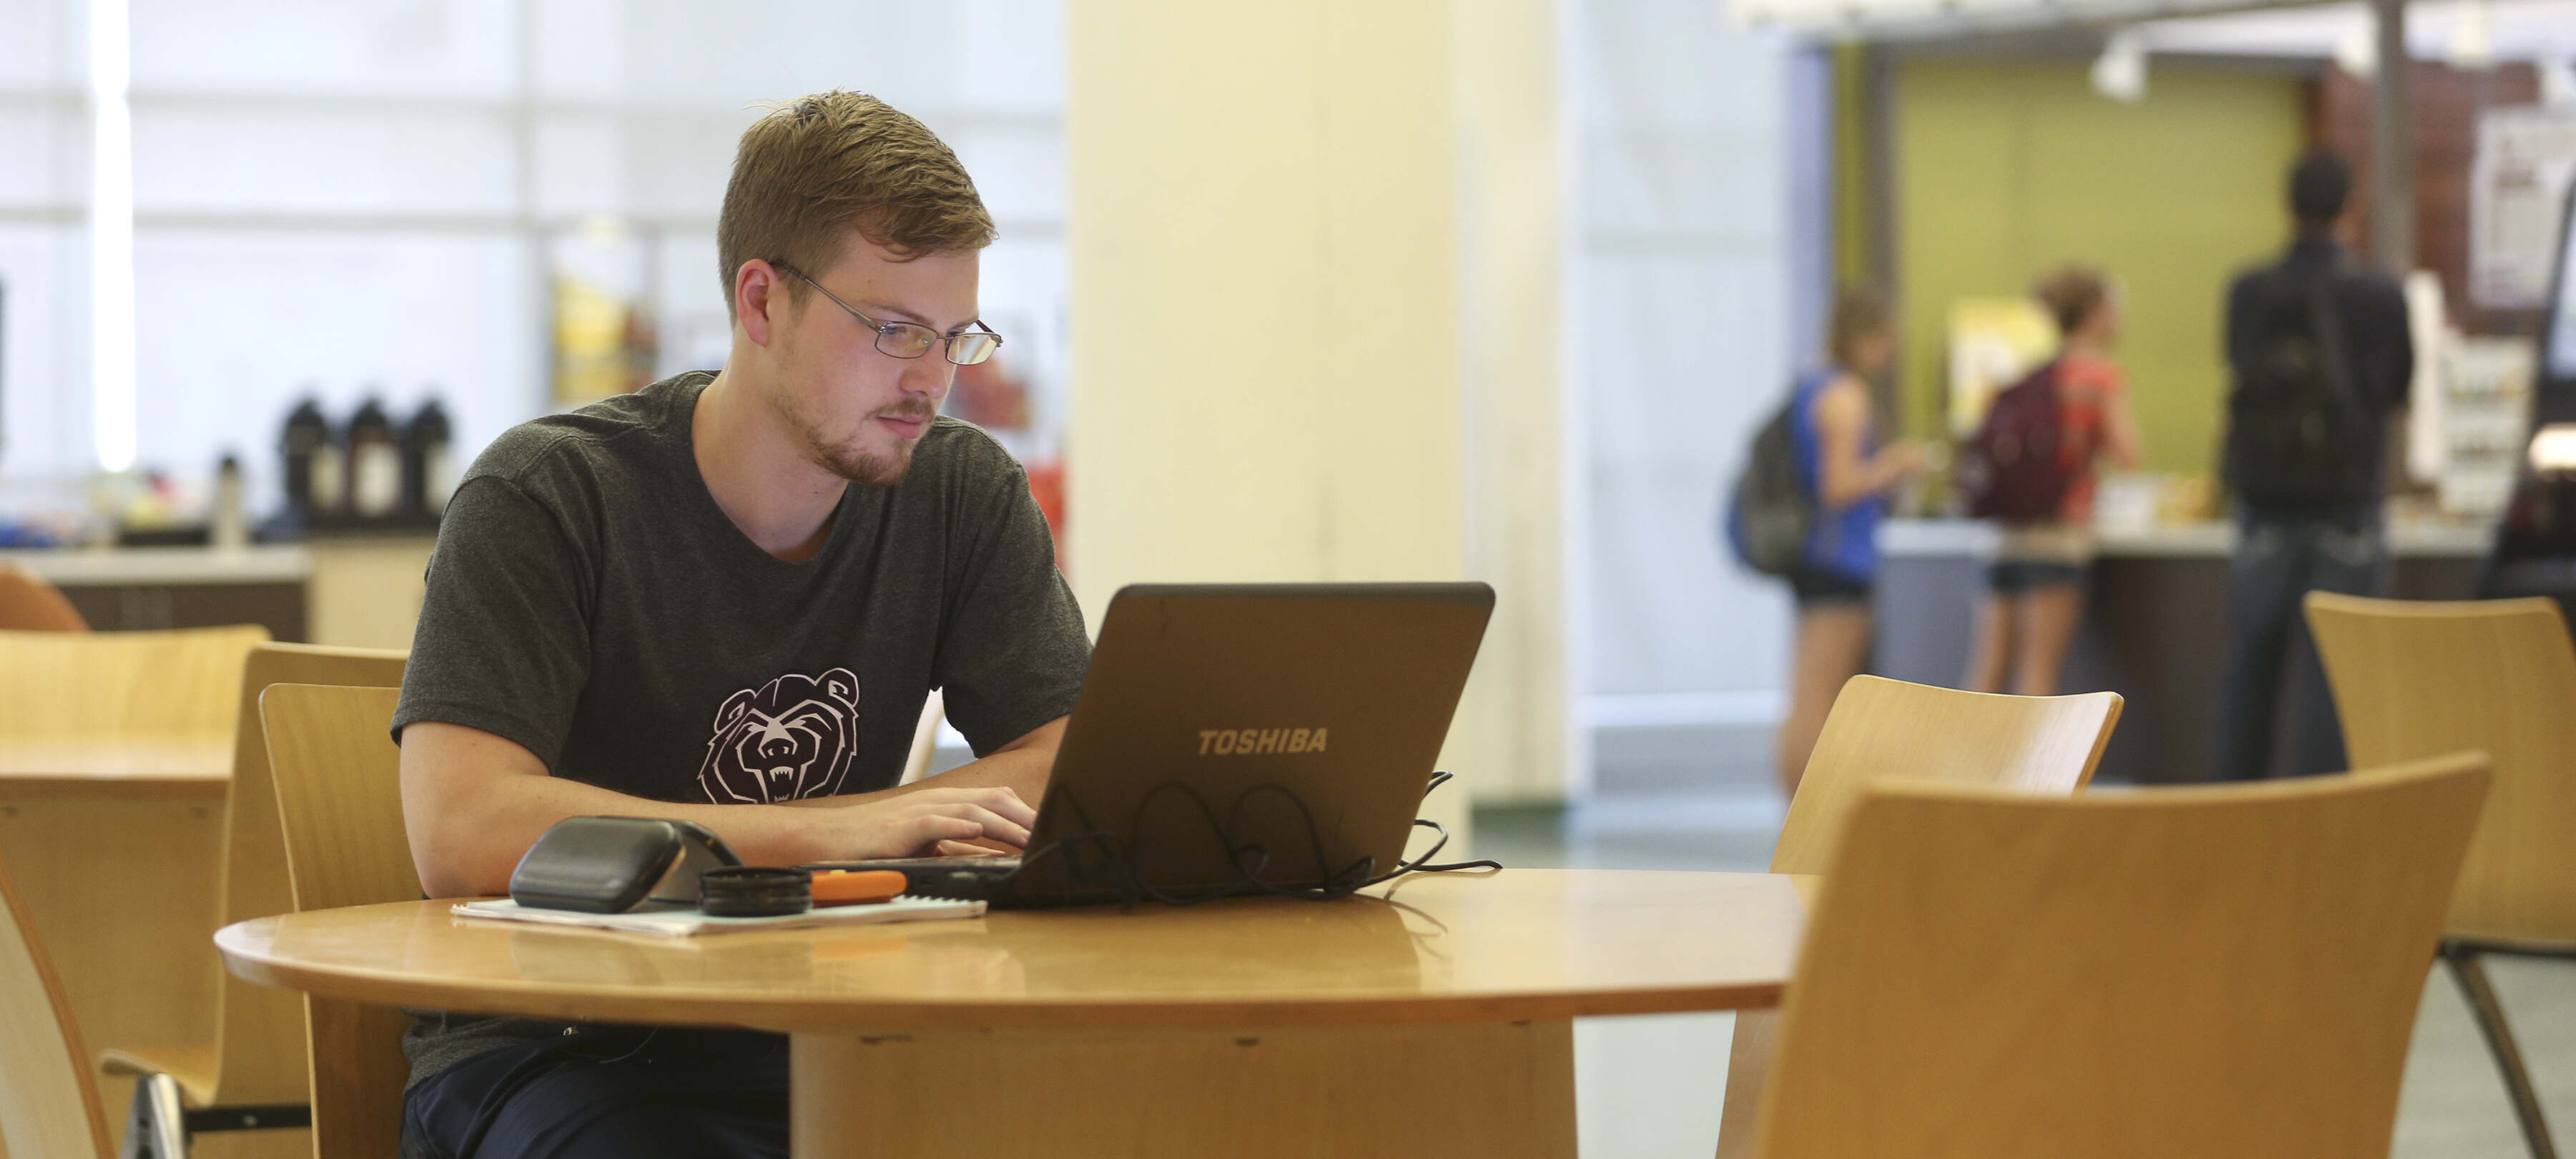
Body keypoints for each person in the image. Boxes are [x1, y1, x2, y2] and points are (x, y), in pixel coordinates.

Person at [392, 91, 1090, 1158]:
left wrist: (893, 820)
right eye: (895, 330)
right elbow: (464, 831)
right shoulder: (549, 494)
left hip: (827, 1025)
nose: (931, 382)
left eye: (956, 337)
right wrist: (848, 827)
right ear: (761, 302)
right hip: (560, 1043)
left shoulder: (960, 494)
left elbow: (1070, 766)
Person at [2215, 152, 2413, 780]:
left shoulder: (2248, 290)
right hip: (2346, 504)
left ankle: (2232, 819)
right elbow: (2393, 391)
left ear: (2288, 206)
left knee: (2252, 668)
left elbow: (2238, 374)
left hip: (2265, 503)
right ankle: (2322, 830)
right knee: (2337, 678)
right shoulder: (2379, 295)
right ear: (2352, 208)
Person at [1961, 267, 2142, 696]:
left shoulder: (2031, 373)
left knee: (1986, 675)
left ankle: (1970, 765)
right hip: (2058, 537)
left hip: (2006, 536)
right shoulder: (2097, 376)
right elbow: (2129, 455)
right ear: (2096, 313)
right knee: (2038, 677)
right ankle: (2034, 768)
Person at [1775, 290, 1928, 796]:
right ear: (1863, 339)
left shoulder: (1810, 385)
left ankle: (1798, 805)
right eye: (1886, 342)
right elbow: (1838, 486)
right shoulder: (1845, 396)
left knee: (1808, 689)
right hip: (1841, 559)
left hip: (1816, 558)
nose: (1890, 355)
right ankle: (1809, 806)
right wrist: (1896, 464)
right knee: (1822, 692)